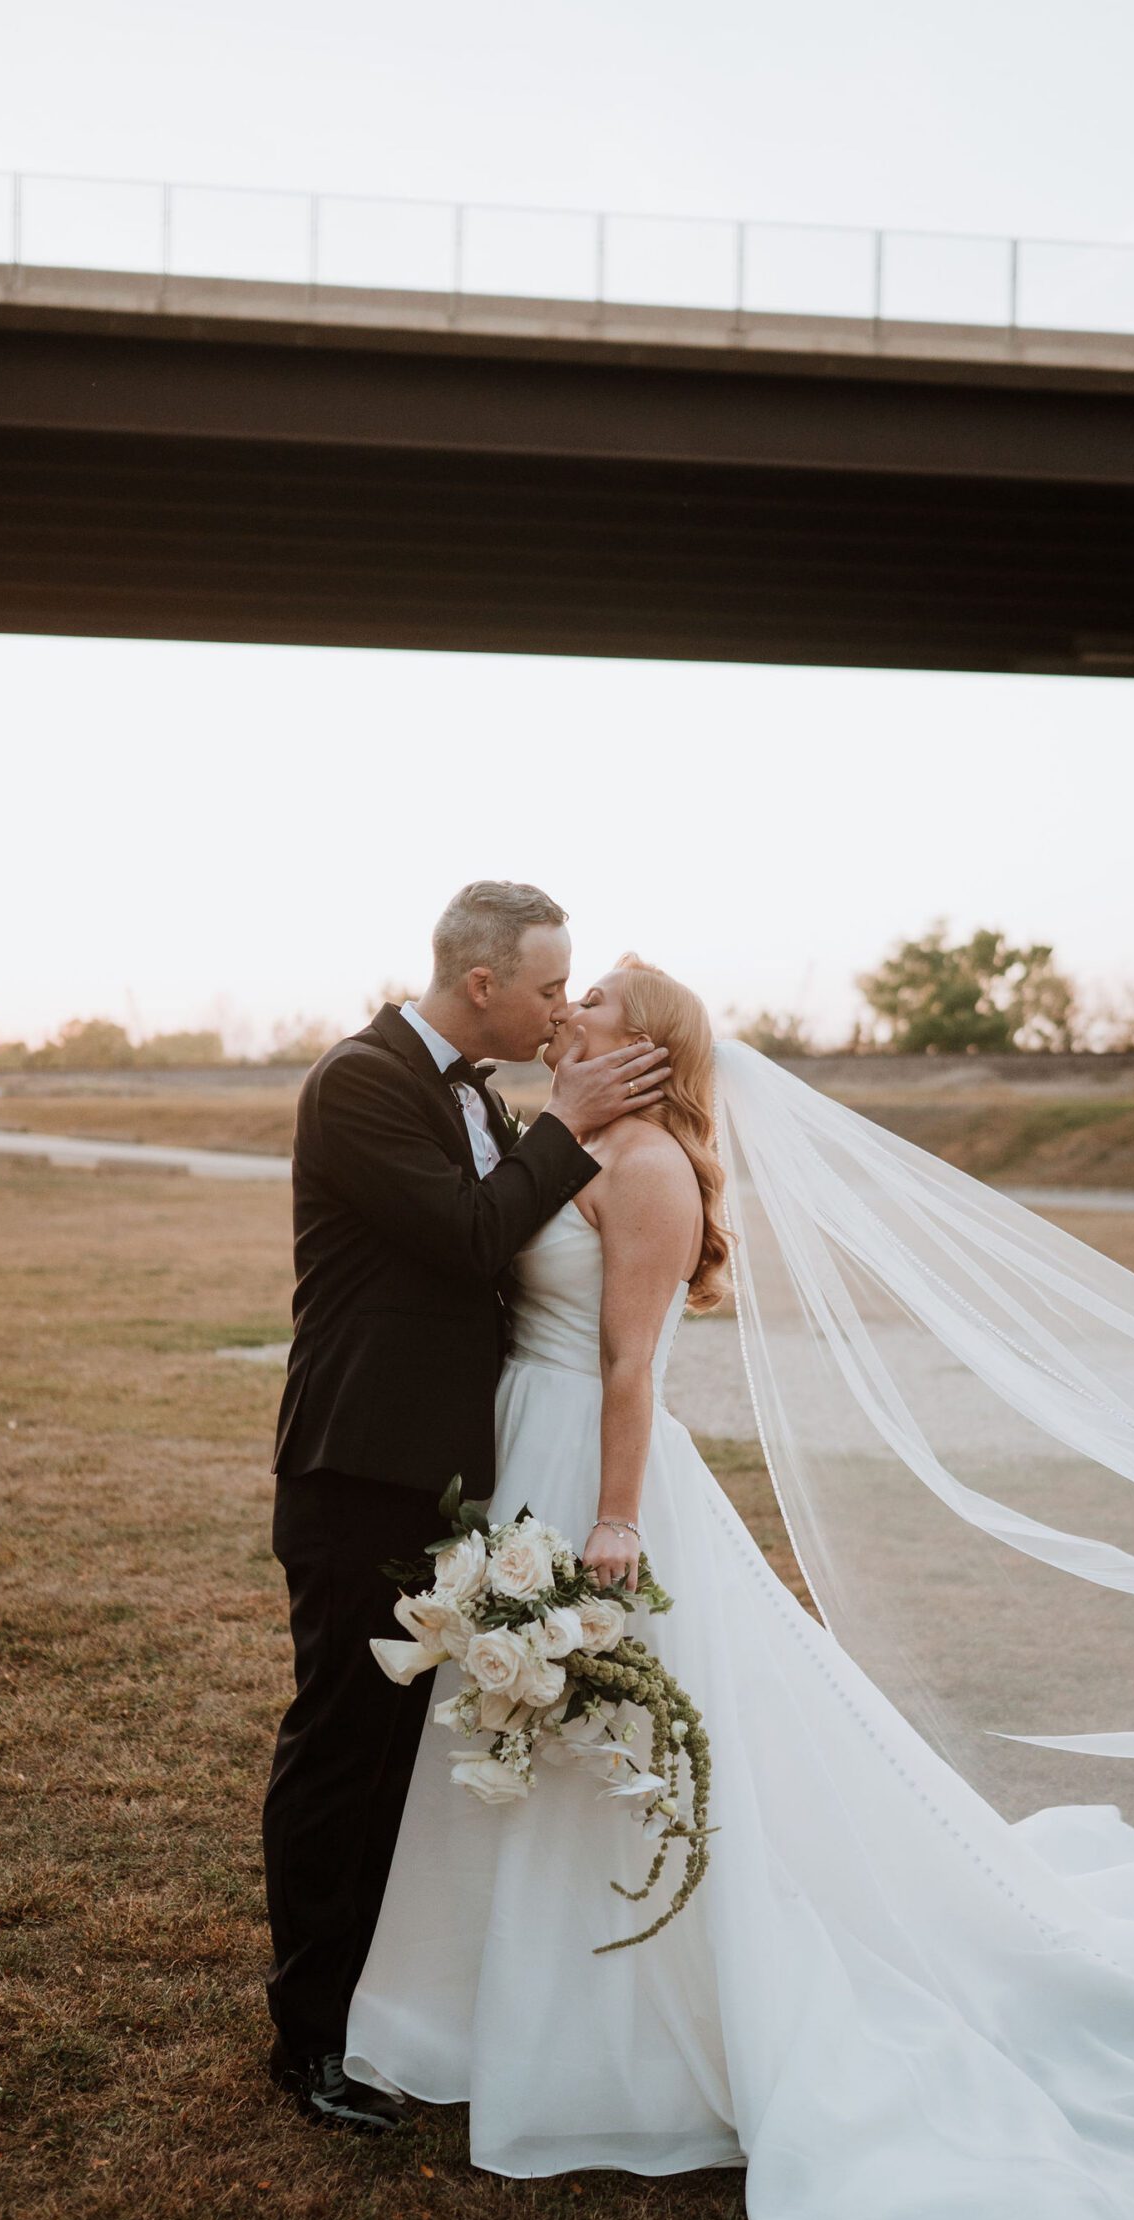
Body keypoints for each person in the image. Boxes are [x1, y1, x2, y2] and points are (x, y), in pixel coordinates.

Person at [344, 952, 1134, 2220]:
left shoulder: (647, 1169)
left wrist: (606, 1526)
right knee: (524, 1747)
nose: (566, 1016)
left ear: (649, 1052)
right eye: (561, 997)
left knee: (607, 1745)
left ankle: (628, 2037)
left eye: (591, 1001)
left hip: (593, 1486)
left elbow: (629, 1369)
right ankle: (483, 2011)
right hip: (514, 1448)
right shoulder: (569, 1143)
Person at [262, 883, 670, 2132]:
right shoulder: (363, 1081)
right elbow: (467, 1234)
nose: (561, 1006)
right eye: (551, 986)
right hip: (357, 1467)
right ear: (483, 984)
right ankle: (309, 2038)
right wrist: (573, 1119)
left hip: (451, 1471)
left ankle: (392, 2000)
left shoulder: (479, 1098)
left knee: (408, 1761)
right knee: (342, 1746)